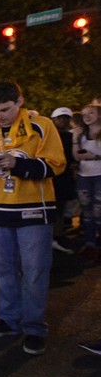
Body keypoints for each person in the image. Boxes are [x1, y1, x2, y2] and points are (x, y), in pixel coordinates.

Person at [0, 79, 66, 356]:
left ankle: (34, 328)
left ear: (19, 101)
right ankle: (9, 320)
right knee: (2, 271)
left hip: (34, 209)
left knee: (34, 271)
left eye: (5, 110)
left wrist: (17, 164)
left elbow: (57, 164)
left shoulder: (42, 126)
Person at [72, 103, 101, 260]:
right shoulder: (82, 135)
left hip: (99, 176)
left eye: (91, 113)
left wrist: (95, 157)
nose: (86, 116)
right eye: (84, 114)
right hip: (84, 176)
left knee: (99, 213)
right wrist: (75, 139)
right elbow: (76, 157)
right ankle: (90, 245)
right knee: (87, 212)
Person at [50, 107, 78, 253]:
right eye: (60, 118)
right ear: (53, 120)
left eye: (66, 118)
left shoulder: (71, 137)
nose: (63, 121)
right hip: (50, 177)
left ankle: (57, 236)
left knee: (60, 208)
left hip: (64, 177)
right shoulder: (47, 136)